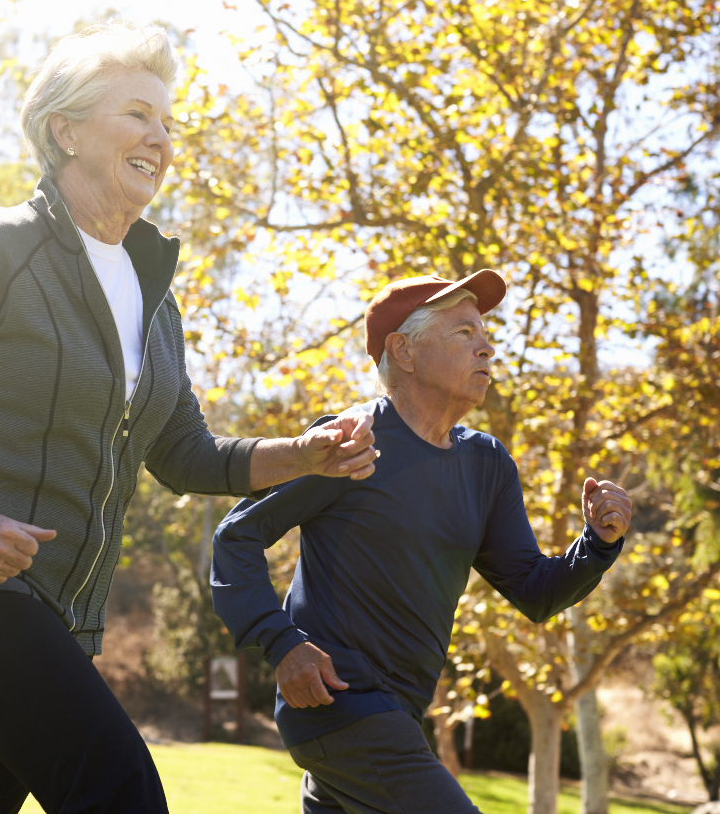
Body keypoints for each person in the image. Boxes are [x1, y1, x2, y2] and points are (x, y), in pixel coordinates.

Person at [0, 21, 378, 814]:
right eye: (138, 115)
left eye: (169, 122)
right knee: (119, 789)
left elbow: (183, 453)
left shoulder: (154, 298)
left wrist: (305, 453)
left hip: (62, 611)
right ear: (65, 130)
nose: (162, 137)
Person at [210, 270, 633, 814]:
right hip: (340, 707)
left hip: (397, 716)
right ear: (403, 351)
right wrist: (282, 644)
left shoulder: (486, 464)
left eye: (485, 333)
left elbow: (535, 590)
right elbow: (236, 537)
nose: (487, 346)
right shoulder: (349, 442)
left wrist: (597, 544)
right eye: (463, 333)